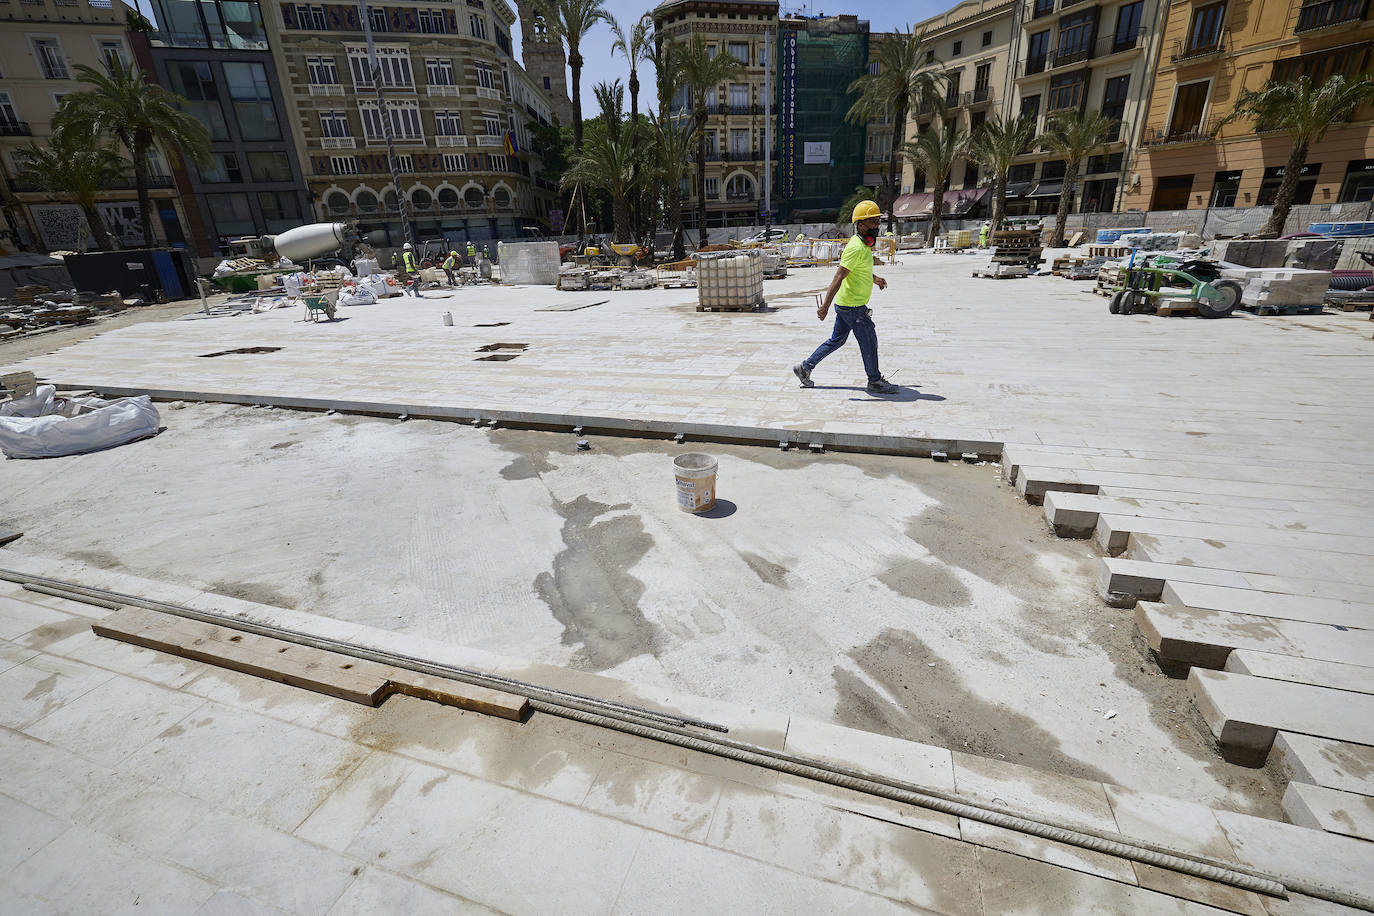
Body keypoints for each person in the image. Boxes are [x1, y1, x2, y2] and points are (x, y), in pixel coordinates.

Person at [792, 200, 899, 395]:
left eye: (877, 221)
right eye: (874, 222)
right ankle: (874, 380)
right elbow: (838, 277)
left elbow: (858, 271)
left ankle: (805, 367)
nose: (877, 226)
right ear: (861, 224)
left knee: (837, 340)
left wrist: (875, 279)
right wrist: (824, 307)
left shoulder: (863, 247)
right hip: (853, 307)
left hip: (847, 304)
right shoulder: (856, 247)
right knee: (869, 340)